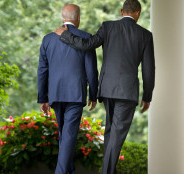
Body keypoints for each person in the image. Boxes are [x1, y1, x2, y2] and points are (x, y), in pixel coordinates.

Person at [54, 0, 155, 173]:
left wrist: (65, 35)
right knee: (116, 135)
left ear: (122, 11)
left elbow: (87, 45)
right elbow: (148, 69)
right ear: (137, 13)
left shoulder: (108, 27)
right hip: (127, 91)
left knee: (111, 132)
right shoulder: (145, 35)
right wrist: (147, 96)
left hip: (107, 89)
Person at [37, 4, 99, 174]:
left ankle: (68, 171)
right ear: (78, 18)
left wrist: (43, 97)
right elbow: (91, 71)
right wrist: (94, 94)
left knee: (65, 137)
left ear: (62, 17)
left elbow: (42, 70)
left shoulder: (48, 39)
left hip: (55, 94)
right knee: (69, 136)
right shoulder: (86, 38)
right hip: (76, 94)